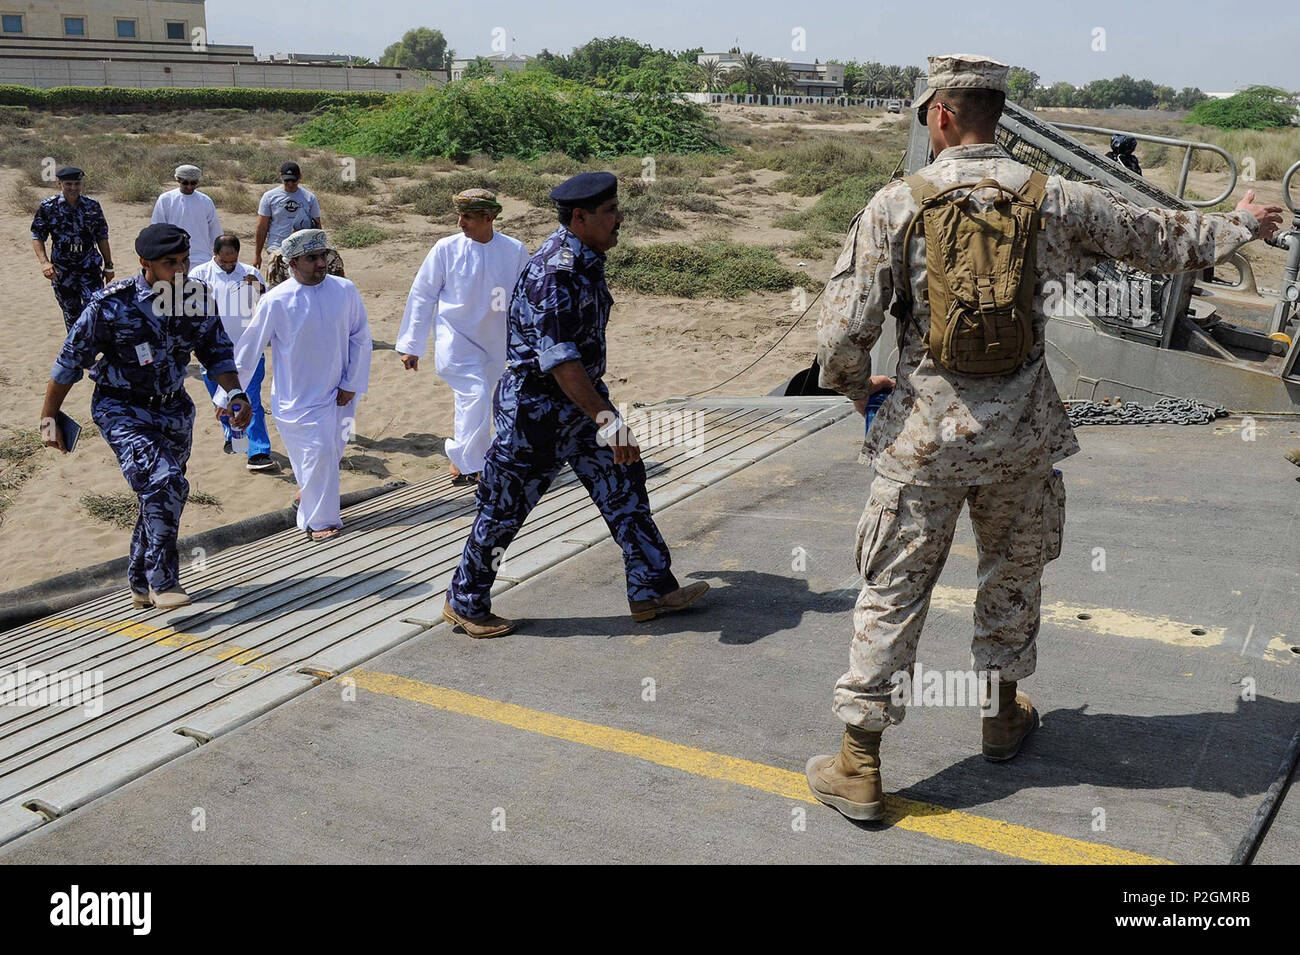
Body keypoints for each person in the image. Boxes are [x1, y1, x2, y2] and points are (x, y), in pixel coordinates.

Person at [806, 53, 1285, 822]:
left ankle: (859, 760)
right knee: (1012, 575)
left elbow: (837, 343)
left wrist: (867, 392)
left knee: (893, 590)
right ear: (995, 113)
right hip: (1022, 438)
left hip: (922, 443)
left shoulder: (896, 204)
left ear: (939, 116)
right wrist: (1241, 226)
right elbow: (1159, 238)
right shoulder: (1054, 198)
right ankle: (999, 717)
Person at [442, 171, 710, 638]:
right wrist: (608, 420)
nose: (619, 220)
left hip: (579, 402)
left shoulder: (587, 257)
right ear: (580, 216)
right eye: (610, 213)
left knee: (623, 485)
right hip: (536, 411)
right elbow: (561, 363)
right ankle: (465, 601)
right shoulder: (556, 273)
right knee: (504, 507)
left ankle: (652, 589)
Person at [39, 224, 251, 610]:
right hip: (121, 408)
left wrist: (235, 392)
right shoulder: (110, 304)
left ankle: (138, 580)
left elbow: (216, 352)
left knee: (160, 494)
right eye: (171, 263)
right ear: (145, 264)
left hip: (173, 409)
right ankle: (163, 579)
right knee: (165, 481)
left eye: (185, 261)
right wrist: (49, 417)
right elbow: (69, 363)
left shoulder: (196, 298)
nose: (181, 270)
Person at [230, 229, 371, 541]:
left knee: (331, 452)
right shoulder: (276, 301)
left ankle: (307, 494)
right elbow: (249, 349)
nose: (321, 264)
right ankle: (319, 523)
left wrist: (352, 381)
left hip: (340, 393)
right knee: (319, 452)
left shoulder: (345, 290)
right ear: (292, 263)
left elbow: (360, 336)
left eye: (323, 256)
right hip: (298, 400)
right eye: (312, 258)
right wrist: (229, 393)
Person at [396, 188, 530, 485]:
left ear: (489, 217)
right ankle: (477, 465)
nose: (460, 223)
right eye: (459, 216)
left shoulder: (514, 250)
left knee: (477, 400)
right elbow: (422, 295)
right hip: (455, 338)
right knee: (476, 394)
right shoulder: (445, 249)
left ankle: (460, 461)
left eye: (468, 217)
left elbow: (527, 297)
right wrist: (412, 345)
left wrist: (529, 339)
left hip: (496, 341)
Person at [189, 234, 275, 471]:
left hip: (248, 349)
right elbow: (189, 313)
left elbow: (268, 305)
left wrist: (257, 286)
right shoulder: (199, 275)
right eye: (223, 261)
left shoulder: (250, 273)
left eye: (232, 261)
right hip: (212, 352)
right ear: (214, 254)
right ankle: (232, 433)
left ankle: (258, 450)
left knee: (252, 400)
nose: (228, 266)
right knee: (221, 399)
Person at [30, 167, 115, 331]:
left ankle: (91, 347)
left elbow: (102, 236)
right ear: (59, 183)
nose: (73, 188)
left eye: (77, 183)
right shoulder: (48, 207)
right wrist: (44, 263)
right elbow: (37, 236)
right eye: (68, 184)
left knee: (95, 308)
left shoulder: (92, 205)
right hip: (63, 270)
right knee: (71, 312)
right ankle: (77, 351)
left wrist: (109, 265)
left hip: (89, 266)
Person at [254, 161, 324, 284]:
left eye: (294, 180)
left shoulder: (309, 198)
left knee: (302, 285)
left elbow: (317, 226)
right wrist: (257, 255)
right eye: (287, 181)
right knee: (276, 286)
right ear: (281, 176)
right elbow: (262, 227)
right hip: (277, 248)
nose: (290, 184)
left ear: (300, 177)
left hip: (302, 249)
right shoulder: (269, 197)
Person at [150, 164, 223, 267]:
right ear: (178, 180)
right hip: (175, 258)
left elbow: (215, 231)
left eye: (193, 183)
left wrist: (218, 253)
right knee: (179, 283)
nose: (189, 187)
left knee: (199, 283)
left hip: (201, 258)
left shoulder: (205, 201)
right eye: (185, 183)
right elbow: (157, 229)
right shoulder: (166, 199)